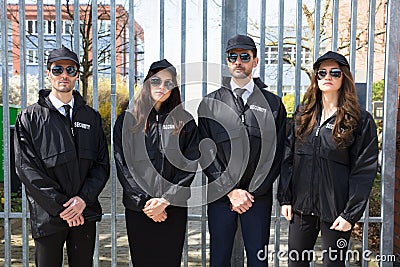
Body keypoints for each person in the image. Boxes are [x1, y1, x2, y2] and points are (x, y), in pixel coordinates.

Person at [278, 51, 378, 266]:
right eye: (322, 72)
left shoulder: (359, 120)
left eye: (335, 72)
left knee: (333, 263)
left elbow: (364, 170)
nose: (327, 77)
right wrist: (285, 198)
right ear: (316, 78)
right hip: (301, 207)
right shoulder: (302, 115)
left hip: (337, 211)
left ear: (345, 78)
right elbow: (288, 158)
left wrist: (350, 214)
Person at [14, 46, 110, 267]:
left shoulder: (91, 117)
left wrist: (82, 200)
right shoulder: (29, 117)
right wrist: (62, 207)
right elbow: (26, 168)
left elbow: (101, 165)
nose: (64, 75)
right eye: (57, 69)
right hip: (48, 216)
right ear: (49, 73)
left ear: (77, 74)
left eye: (70, 69)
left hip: (84, 213)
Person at [198, 34, 287, 266]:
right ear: (227, 62)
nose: (238, 61)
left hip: (257, 197)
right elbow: (207, 154)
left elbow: (276, 155)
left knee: (258, 260)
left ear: (255, 61)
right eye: (233, 56)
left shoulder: (273, 104)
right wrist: (230, 191)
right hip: (220, 196)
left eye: (244, 56)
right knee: (219, 259)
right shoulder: (210, 103)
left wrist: (250, 193)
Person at [113, 59, 199, 266]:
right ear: (147, 83)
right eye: (156, 81)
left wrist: (165, 201)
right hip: (139, 209)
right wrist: (146, 203)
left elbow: (190, 165)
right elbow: (123, 165)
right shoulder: (128, 120)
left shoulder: (185, 121)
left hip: (173, 208)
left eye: (168, 83)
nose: (161, 87)